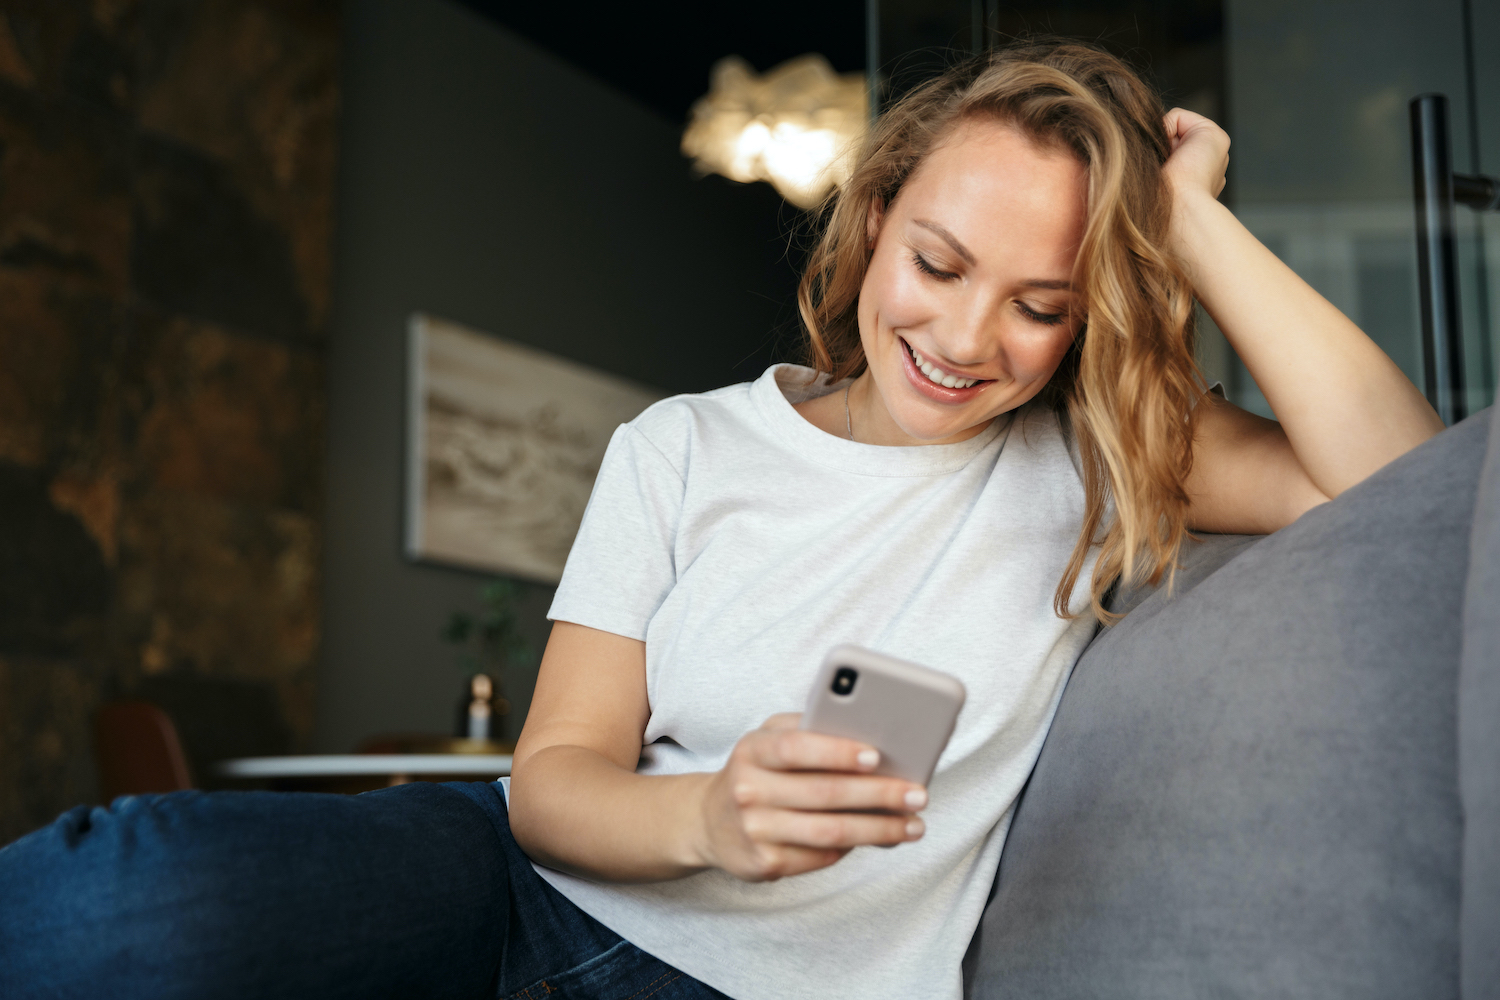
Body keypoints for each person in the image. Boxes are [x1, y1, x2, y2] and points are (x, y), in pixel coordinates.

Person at [0, 38, 1442, 1000]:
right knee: (117, 908)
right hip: (517, 888)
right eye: (937, 261)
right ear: (876, 218)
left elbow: (1404, 475)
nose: (964, 334)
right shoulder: (680, 445)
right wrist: (711, 815)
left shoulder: (1097, 457)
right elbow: (551, 783)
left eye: (1040, 304)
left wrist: (1188, 218)